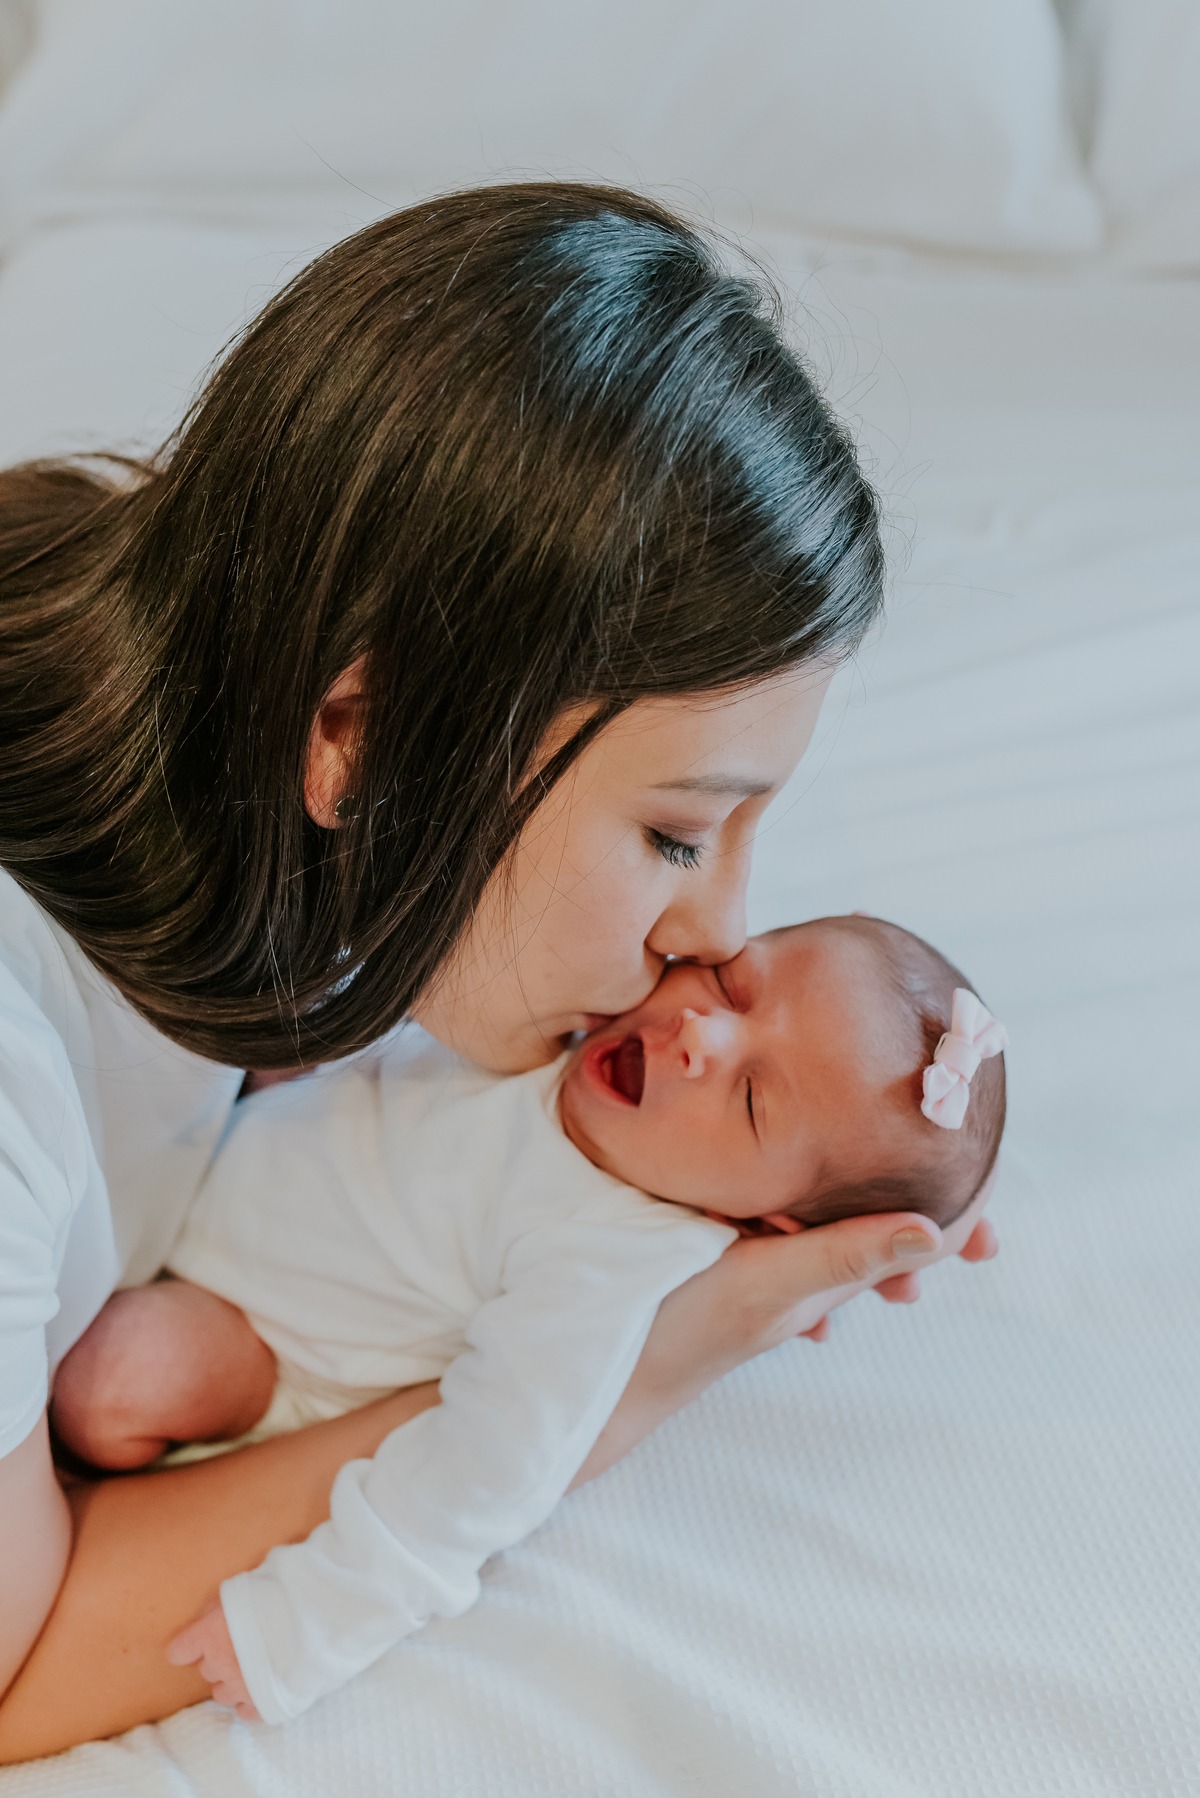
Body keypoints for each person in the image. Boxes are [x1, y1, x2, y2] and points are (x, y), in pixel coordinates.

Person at [0, 183, 997, 1761]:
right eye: (678, 834)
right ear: (361, 734)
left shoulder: (182, 694)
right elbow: (10, 1669)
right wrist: (608, 1382)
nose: (719, 939)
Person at [51, 914, 1006, 1726]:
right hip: (246, 1158)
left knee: (111, 1381)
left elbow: (489, 1467)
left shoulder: (615, 1256)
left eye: (751, 1098)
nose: (702, 1033)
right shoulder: (589, 1015)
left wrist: (306, 1622)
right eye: (735, 978)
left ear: (765, 1220)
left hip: (267, 1336)